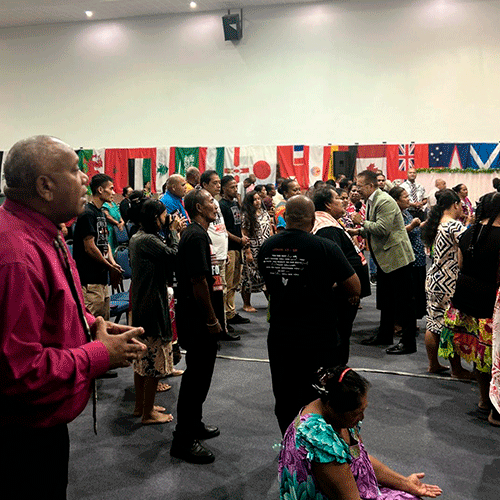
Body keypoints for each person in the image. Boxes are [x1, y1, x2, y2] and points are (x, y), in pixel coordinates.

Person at [0, 135, 146, 498]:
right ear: (45, 186)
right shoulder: (17, 255)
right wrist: (99, 354)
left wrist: (91, 326)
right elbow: (20, 372)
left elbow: (54, 308)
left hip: (41, 426)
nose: (86, 179)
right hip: (22, 438)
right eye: (75, 169)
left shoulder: (41, 233)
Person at [258, 195, 360, 434]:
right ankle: (317, 446)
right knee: (319, 394)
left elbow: (269, 285)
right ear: (313, 219)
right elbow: (354, 287)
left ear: (285, 217)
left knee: (285, 394)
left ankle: (290, 444)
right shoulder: (325, 247)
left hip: (281, 334)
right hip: (318, 335)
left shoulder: (268, 246)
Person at [279, 366, 443, 500]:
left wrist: (406, 483)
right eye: (357, 413)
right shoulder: (320, 442)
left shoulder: (332, 409)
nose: (362, 418)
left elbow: (360, 458)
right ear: (334, 408)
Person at [170, 188, 224, 464]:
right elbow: (198, 281)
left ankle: (195, 423)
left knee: (202, 375)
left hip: (199, 315)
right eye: (210, 201)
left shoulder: (199, 234)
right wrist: (211, 319)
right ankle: (183, 439)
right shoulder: (195, 236)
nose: (215, 205)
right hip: (197, 317)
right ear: (199, 208)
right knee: (195, 378)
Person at [438, 192, 500, 425]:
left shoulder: (469, 233)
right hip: (491, 301)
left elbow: (461, 264)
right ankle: (495, 407)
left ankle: (484, 400)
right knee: (493, 355)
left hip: (467, 295)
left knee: (481, 355)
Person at [350, 170, 417, 355]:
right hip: (384, 258)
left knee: (404, 302)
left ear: (370, 186)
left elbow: (382, 228)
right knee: (386, 300)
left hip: (397, 258)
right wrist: (357, 232)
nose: (357, 190)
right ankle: (384, 334)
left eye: (360, 186)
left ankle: (408, 342)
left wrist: (361, 223)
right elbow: (374, 227)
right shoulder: (371, 201)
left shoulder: (384, 201)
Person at [130, 199, 180, 425]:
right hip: (151, 304)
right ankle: (147, 413)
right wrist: (174, 232)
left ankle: (141, 405)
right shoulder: (148, 240)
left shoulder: (139, 237)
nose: (166, 219)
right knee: (152, 360)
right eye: (163, 215)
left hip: (143, 301)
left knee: (142, 359)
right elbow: (174, 256)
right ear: (154, 217)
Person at [312, 188, 371, 364]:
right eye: (338, 198)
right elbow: (335, 263)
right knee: (339, 333)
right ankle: (336, 370)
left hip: (345, 290)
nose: (343, 201)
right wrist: (349, 287)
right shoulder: (326, 228)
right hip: (342, 293)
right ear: (328, 204)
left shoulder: (330, 223)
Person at [421, 189, 470, 377]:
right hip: (449, 280)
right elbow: (468, 248)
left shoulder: (435, 223)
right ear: (455, 204)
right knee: (450, 325)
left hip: (434, 277)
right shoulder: (454, 226)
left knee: (433, 323)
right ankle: (456, 369)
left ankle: (433, 364)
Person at [73, 173, 123, 321]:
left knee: (104, 324)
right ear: (100, 190)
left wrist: (113, 264)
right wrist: (109, 267)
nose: (113, 192)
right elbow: (89, 247)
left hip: (101, 280)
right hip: (89, 281)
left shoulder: (100, 212)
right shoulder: (87, 214)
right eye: (111, 188)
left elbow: (104, 242)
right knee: (91, 324)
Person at [200, 170, 238, 340]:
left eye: (218, 183)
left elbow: (220, 229)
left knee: (223, 291)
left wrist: (224, 250)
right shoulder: (203, 202)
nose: (218, 186)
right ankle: (220, 327)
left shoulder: (214, 201)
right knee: (217, 293)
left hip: (222, 253)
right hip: (213, 255)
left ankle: (223, 324)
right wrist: (214, 253)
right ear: (204, 185)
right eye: (214, 183)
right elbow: (206, 231)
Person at [389, 187, 427, 322]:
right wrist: (411, 226)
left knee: (417, 290)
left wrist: (424, 223)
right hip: (406, 258)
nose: (408, 200)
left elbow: (414, 228)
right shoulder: (393, 214)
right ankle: (400, 321)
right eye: (405, 197)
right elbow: (395, 233)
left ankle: (412, 319)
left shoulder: (406, 212)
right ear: (396, 200)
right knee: (406, 292)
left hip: (418, 256)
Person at [219, 175, 251, 325]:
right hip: (230, 248)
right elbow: (223, 229)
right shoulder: (222, 205)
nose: (235, 189)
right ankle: (226, 314)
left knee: (235, 283)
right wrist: (238, 240)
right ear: (224, 188)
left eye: (236, 187)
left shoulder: (235, 203)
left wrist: (242, 238)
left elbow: (238, 224)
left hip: (238, 247)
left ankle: (231, 312)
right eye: (232, 187)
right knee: (228, 283)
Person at [241, 190, 273, 312]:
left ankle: (271, 303)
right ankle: (246, 304)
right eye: (254, 199)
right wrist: (248, 252)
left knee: (266, 276)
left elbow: (270, 230)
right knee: (249, 276)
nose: (257, 201)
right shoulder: (247, 216)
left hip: (265, 249)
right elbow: (244, 234)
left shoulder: (265, 213)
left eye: (258, 199)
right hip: (253, 249)